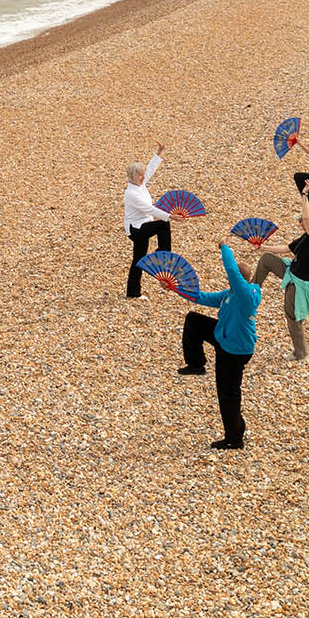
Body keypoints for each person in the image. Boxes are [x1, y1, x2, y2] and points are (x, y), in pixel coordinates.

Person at [177, 243, 264, 450]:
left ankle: (234, 438)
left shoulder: (246, 295)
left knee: (228, 394)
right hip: (224, 337)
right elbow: (202, 297)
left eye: (235, 280)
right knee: (194, 320)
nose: (231, 280)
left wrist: (225, 247)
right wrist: (176, 288)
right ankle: (196, 364)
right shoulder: (231, 293)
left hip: (235, 350)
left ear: (243, 281)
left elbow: (232, 270)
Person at [253, 201, 309, 360]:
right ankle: (250, 290)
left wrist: (304, 195)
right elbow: (287, 248)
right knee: (266, 260)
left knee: (292, 317)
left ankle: (301, 352)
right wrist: (264, 247)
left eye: (301, 220)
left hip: (300, 283)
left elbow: (307, 218)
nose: (300, 222)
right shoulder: (306, 236)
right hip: (291, 270)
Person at [122, 143, 186, 299]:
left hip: (143, 225)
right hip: (136, 229)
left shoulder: (140, 184)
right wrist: (170, 216)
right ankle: (163, 253)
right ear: (132, 177)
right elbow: (149, 209)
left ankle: (133, 293)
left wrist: (159, 152)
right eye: (140, 175)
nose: (143, 177)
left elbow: (150, 170)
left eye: (142, 175)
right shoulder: (132, 194)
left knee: (139, 259)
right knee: (163, 224)